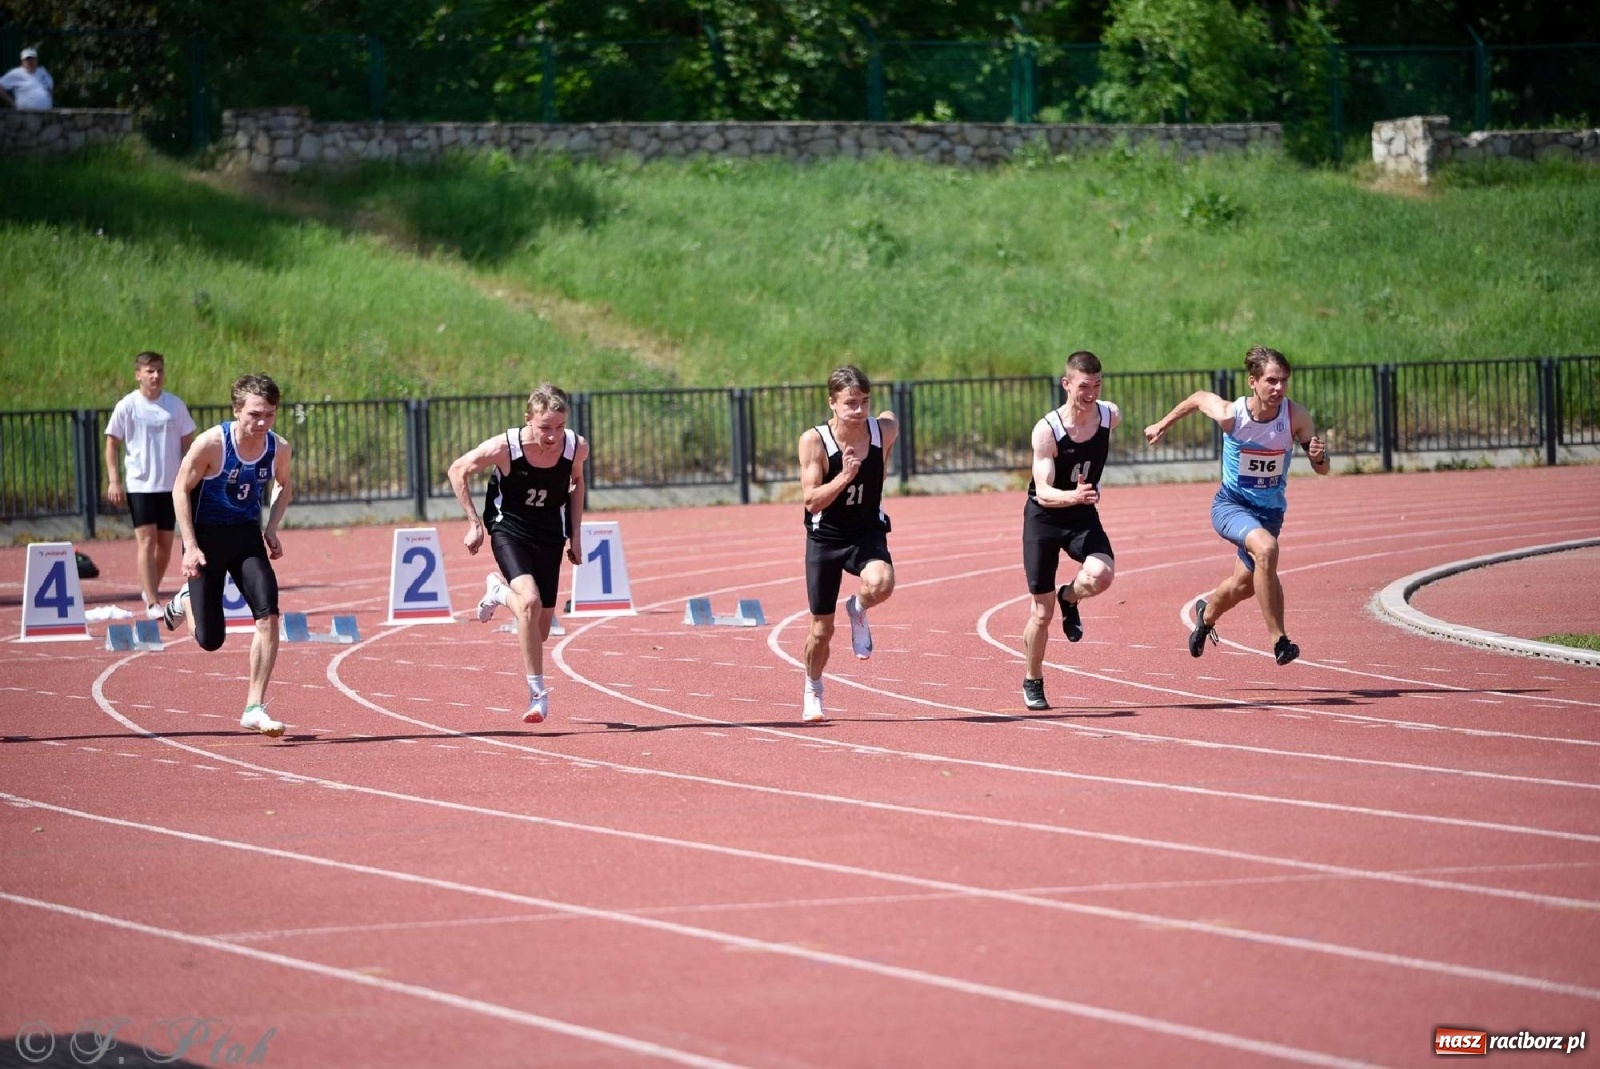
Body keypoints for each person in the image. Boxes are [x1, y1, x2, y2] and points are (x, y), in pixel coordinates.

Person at [1143, 345, 1329, 666]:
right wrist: (1162, 424)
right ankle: (1279, 641)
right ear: (1252, 382)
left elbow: (1322, 469)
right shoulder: (1233, 415)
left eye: (1283, 381)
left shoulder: (1295, 416)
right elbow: (1199, 397)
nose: (1279, 388)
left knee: (1243, 586)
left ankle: (1207, 616)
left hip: (1269, 514)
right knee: (1267, 549)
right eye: (1271, 380)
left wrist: (1319, 457)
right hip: (1231, 506)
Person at [160, 373, 295, 738]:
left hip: (246, 537)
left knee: (269, 614)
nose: (262, 422)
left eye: (269, 414)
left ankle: (254, 706)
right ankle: (186, 600)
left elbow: (285, 484)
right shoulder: (212, 444)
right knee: (210, 639)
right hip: (205, 540)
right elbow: (179, 489)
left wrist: (271, 528)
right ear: (237, 410)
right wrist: (190, 546)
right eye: (254, 414)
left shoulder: (278, 448)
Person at [447, 384, 588, 725]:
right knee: (529, 603)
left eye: (559, 427)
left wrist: (575, 535)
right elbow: (457, 469)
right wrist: (474, 523)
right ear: (528, 419)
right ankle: (538, 696)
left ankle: (498, 591)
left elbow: (576, 484)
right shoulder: (505, 448)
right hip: (509, 530)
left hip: (550, 534)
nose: (553, 436)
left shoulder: (576, 446)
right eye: (545, 427)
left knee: (539, 631)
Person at [1020, 351, 1122, 711]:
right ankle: (1033, 679)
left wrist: (1084, 495)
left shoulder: (1110, 415)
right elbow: (1043, 492)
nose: (1090, 393)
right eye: (1083, 387)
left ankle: (1070, 598)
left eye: (1097, 385)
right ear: (1066, 384)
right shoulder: (1048, 430)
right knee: (1041, 612)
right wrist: (1074, 495)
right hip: (1045, 518)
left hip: (1081, 514)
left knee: (1102, 573)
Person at [798, 365, 898, 724]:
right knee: (821, 631)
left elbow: (891, 419)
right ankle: (813, 688)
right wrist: (845, 476)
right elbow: (811, 501)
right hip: (826, 536)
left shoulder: (883, 430)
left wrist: (880, 460)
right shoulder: (815, 441)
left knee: (882, 583)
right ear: (832, 403)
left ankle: (857, 608)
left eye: (865, 402)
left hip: (866, 530)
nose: (859, 410)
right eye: (850, 403)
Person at [104, 351, 196, 618]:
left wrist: (192, 477)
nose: (155, 376)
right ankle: (153, 602)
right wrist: (114, 480)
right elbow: (112, 443)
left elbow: (189, 445)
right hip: (140, 484)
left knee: (166, 545)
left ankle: (149, 587)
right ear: (138, 375)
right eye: (150, 371)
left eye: (159, 370)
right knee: (147, 541)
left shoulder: (175, 406)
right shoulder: (128, 406)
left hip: (170, 485)